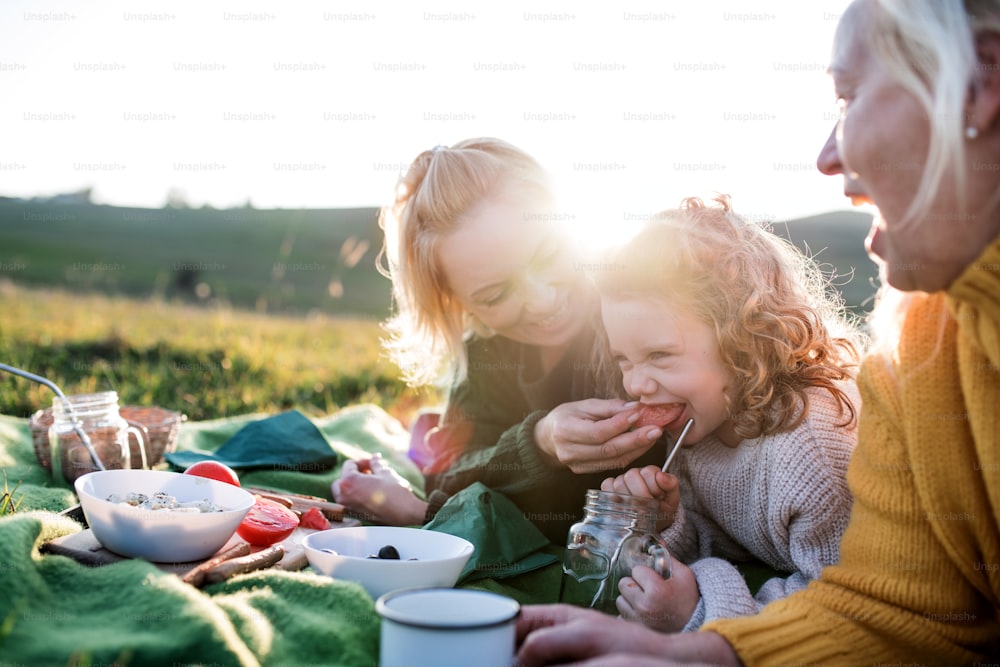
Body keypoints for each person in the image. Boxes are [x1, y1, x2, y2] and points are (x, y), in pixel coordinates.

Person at [515, 0, 1000, 664]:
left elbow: (821, 575)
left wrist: (703, 610)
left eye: (848, 97)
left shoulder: (815, 442)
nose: (827, 156)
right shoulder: (915, 349)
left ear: (981, 87)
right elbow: (904, 607)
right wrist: (684, 602)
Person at [332, 138, 665, 543]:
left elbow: (594, 514)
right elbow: (449, 469)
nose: (543, 301)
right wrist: (538, 442)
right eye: (495, 295)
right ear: (458, 305)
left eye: (548, 254)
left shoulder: (637, 315)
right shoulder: (485, 351)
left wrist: (424, 513)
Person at [593, 195, 861, 633]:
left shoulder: (810, 447)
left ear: (745, 340)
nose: (635, 385)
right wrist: (664, 523)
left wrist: (700, 612)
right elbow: (722, 538)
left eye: (660, 354)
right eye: (624, 359)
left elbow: (844, 606)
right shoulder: (702, 419)